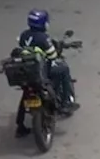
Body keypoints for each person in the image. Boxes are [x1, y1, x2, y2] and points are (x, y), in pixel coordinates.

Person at [14, 9, 77, 137]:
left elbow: (21, 46)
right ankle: (66, 102)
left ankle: (20, 126)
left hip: (27, 71)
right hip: (41, 71)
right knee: (64, 69)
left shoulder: (24, 35)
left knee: (25, 95)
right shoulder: (44, 38)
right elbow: (52, 56)